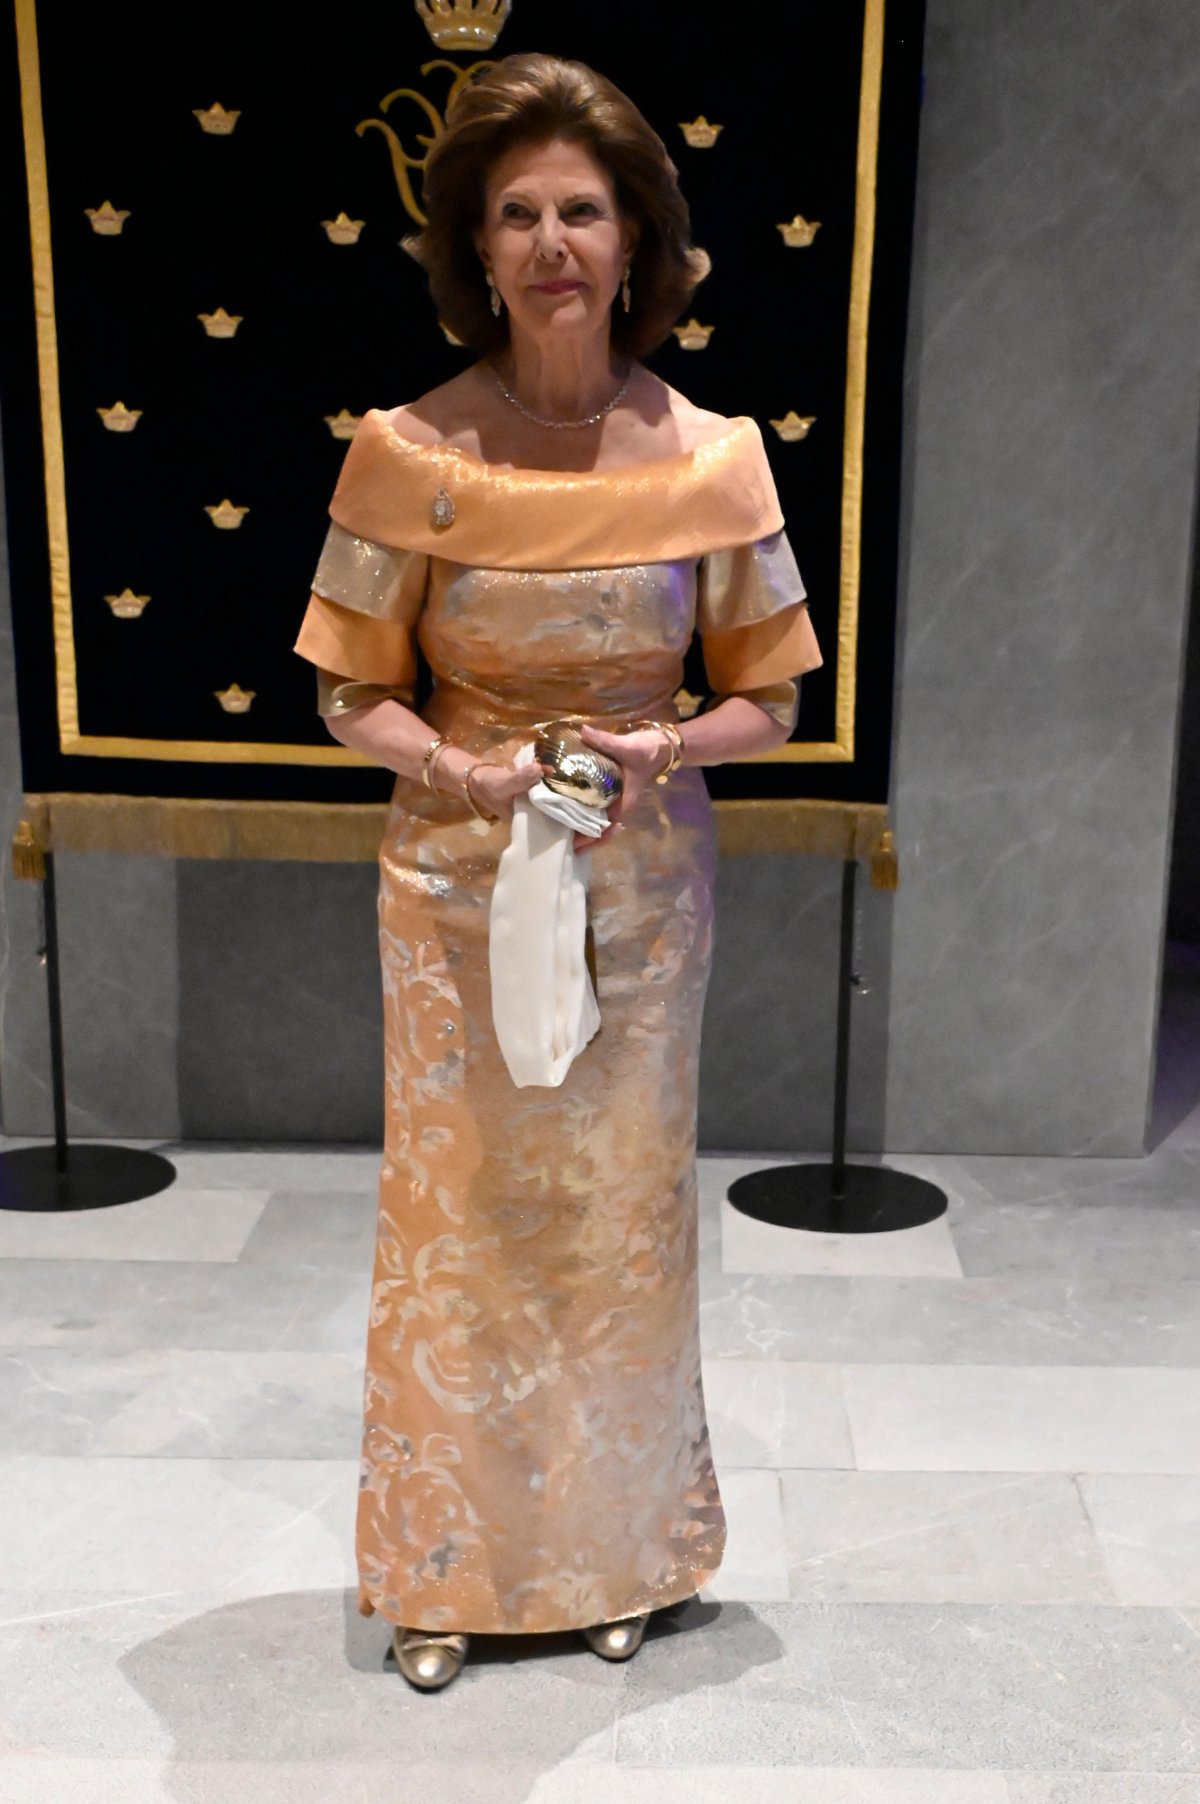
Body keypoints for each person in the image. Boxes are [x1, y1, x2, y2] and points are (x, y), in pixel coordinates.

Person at [292, 51, 823, 1692]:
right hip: (454, 886)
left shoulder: (713, 457)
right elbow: (347, 688)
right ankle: (446, 1569)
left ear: (636, 238)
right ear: (474, 244)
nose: (550, 244)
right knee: (461, 1215)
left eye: (580, 210)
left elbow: (774, 695)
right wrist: (464, 766)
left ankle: (613, 1556)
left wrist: (662, 750)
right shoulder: (410, 454)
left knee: (615, 1219)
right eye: (516, 212)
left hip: (646, 895)